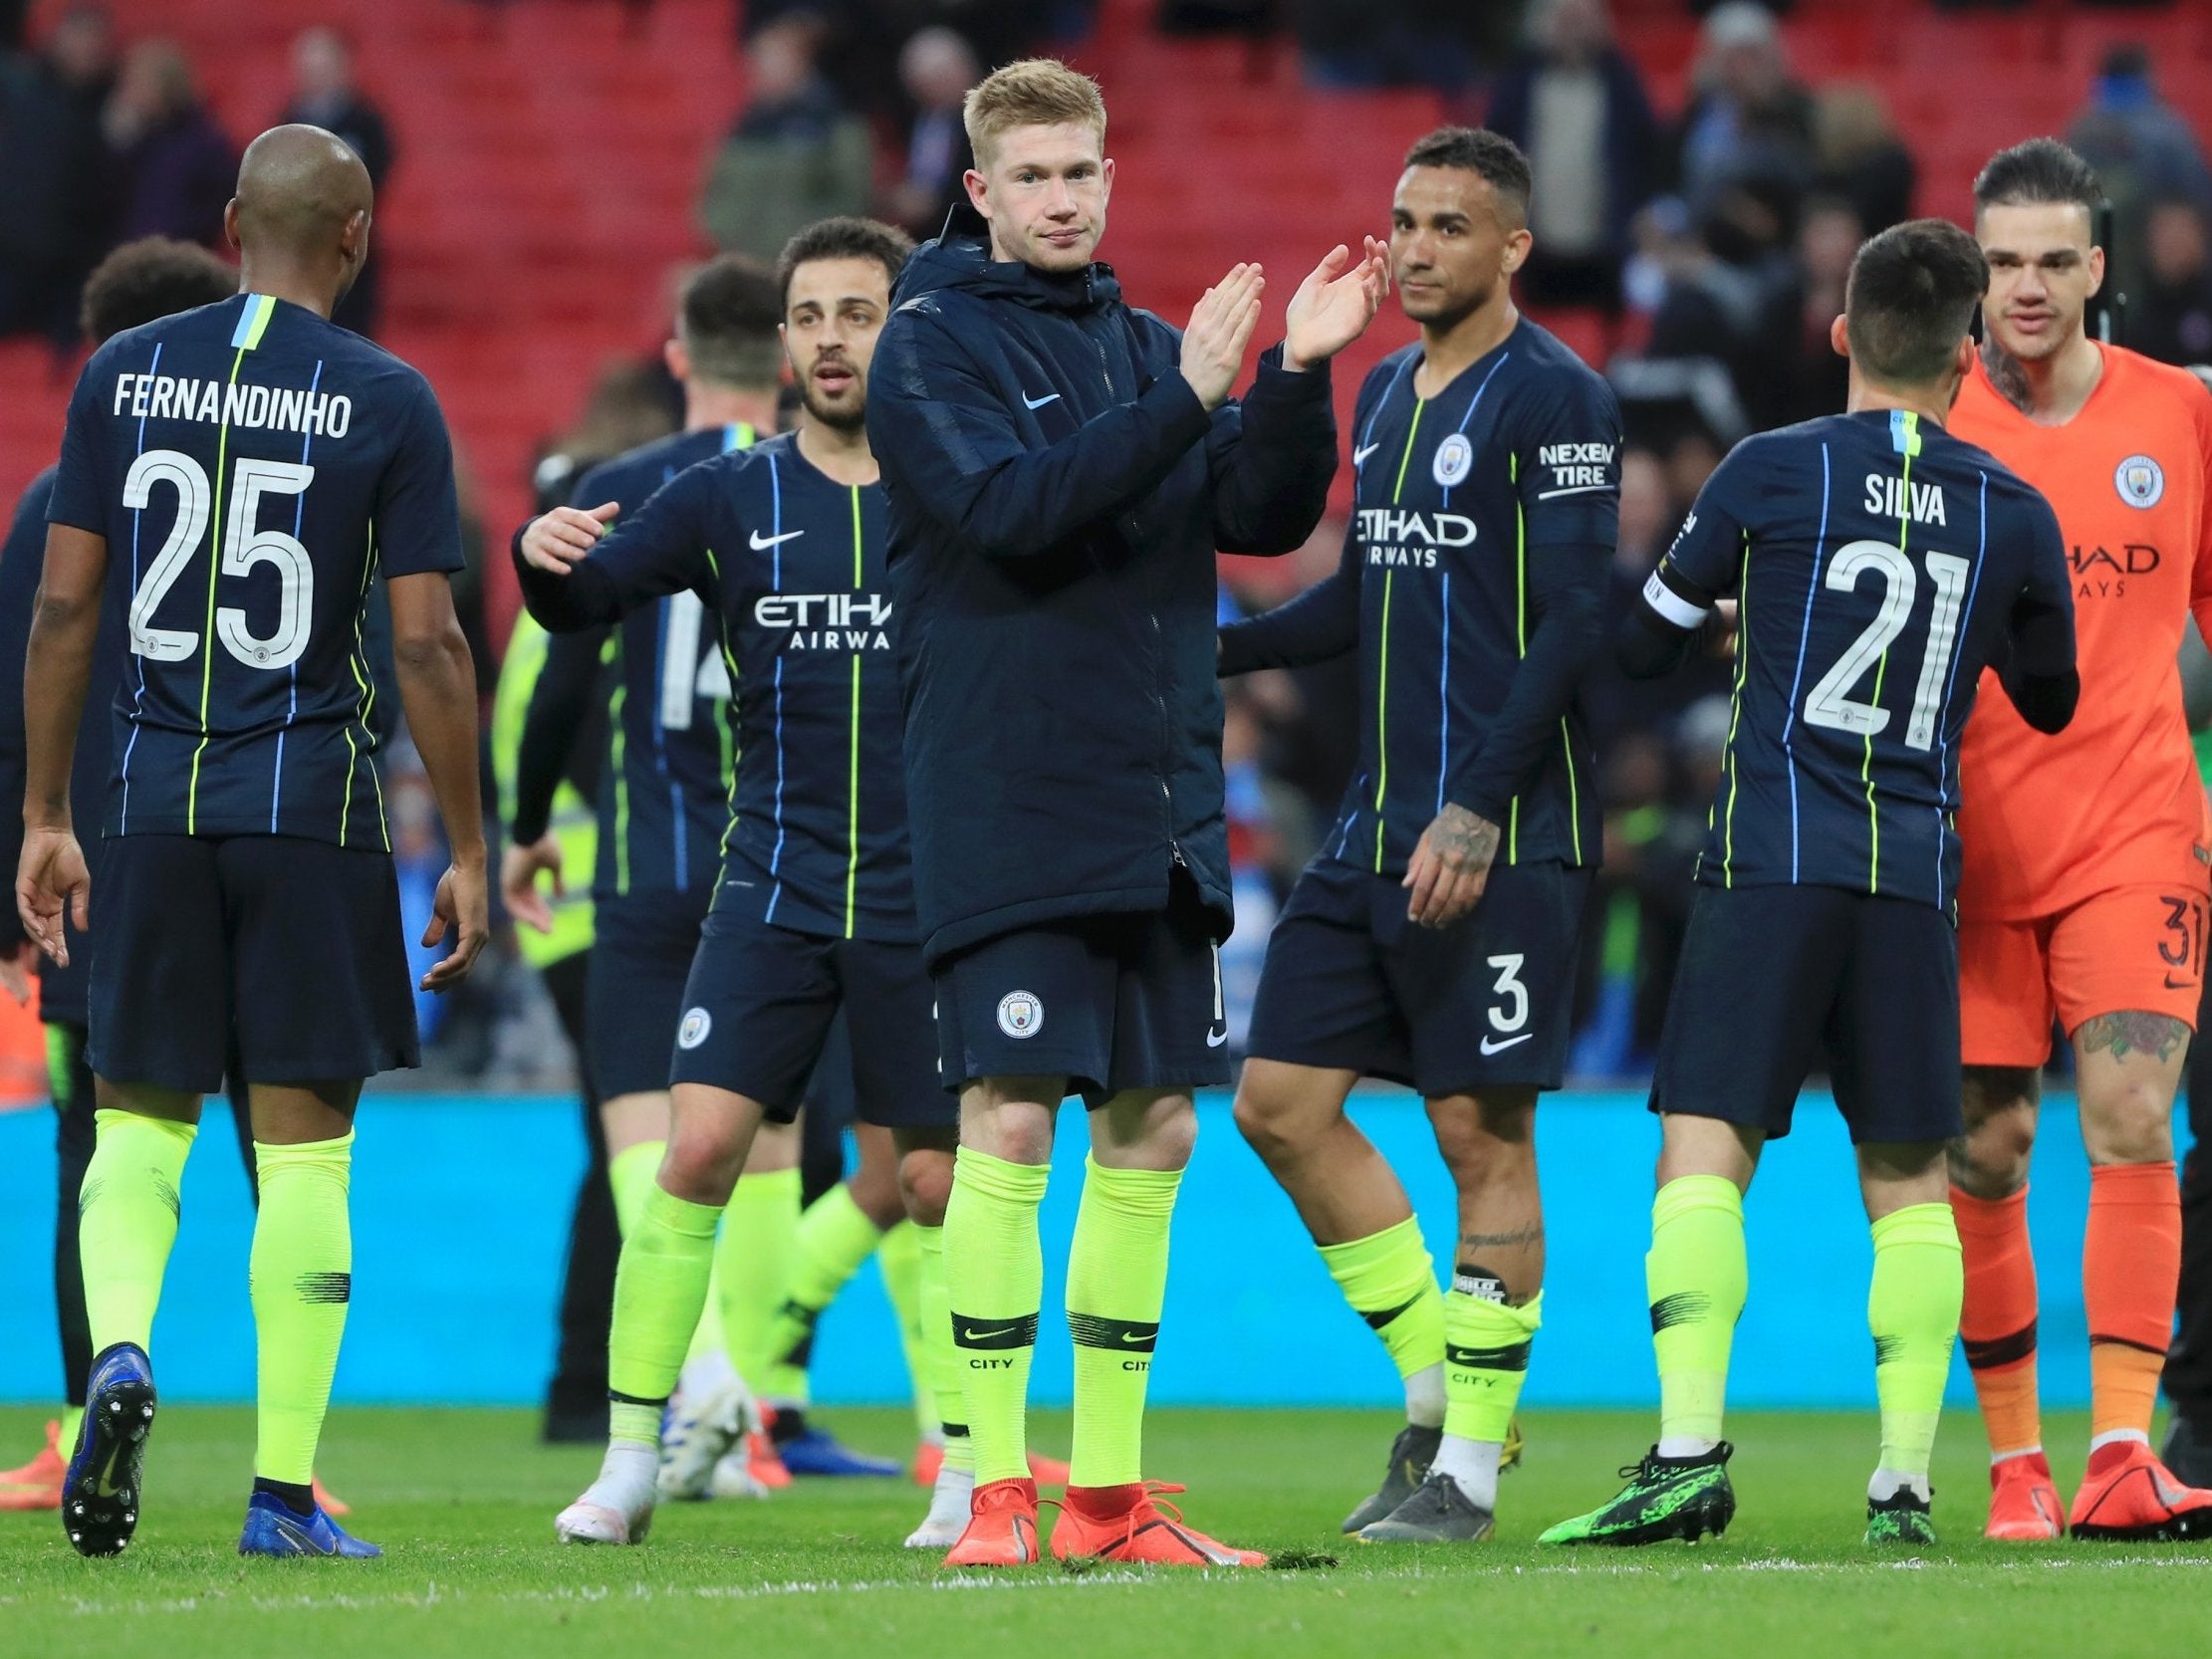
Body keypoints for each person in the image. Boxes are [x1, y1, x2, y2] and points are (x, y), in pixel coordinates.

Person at [864, 57, 1386, 1568]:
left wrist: (1291, 377)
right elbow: (1016, 514)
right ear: (979, 192)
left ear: (1110, 179)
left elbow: (1264, 516)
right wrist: (1186, 399)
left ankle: (1104, 1498)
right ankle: (991, 1491)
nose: (1061, 198)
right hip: (1006, 791)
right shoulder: (929, 349)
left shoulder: (1153, 346)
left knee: (1154, 1130)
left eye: (1081, 173)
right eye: (1030, 176)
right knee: (1010, 1118)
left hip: (1155, 798)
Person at [1543, 216, 2080, 1550]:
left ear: (1841, 333)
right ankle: (1903, 1479)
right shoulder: (2013, 506)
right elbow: (2054, 692)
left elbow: (1647, 646)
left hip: (1769, 853)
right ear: (1968, 354)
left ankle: (1681, 1457)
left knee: (1704, 1149)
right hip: (1910, 874)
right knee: (1906, 1172)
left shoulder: (1768, 473)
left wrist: (1741, 617)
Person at [18, 124, 488, 1558]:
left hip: (145, 807)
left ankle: (117, 1352)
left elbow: (62, 614)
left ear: (230, 221)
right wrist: (467, 841)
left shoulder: (118, 376)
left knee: (135, 1125)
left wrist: (46, 814)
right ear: (356, 238)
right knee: (303, 1162)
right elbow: (427, 641)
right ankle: (282, 1493)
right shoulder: (389, 396)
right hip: (310, 814)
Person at [516, 216, 978, 1552]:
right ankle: (632, 1457)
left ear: (904, 331)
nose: (834, 338)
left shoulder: (960, 494)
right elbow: (585, 601)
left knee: (935, 1182)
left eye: (859, 312)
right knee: (698, 1153)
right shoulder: (729, 498)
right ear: (781, 346)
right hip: (766, 885)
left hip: (922, 896)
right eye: (811, 316)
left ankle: (961, 1463)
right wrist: (537, 564)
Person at [1219, 125, 1620, 1546]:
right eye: (1402, 219)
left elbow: (1575, 625)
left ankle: (1467, 1472)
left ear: (1513, 245)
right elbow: (1356, 602)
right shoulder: (1383, 389)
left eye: (1449, 224)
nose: (1415, 246)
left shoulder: (1558, 398)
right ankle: (1436, 1387)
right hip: (1371, 830)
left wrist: (1477, 804)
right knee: (1277, 1103)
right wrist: (1197, 656)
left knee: (1478, 1131)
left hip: (1498, 833)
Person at [1944, 137, 2212, 1543]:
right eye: (2001, 263)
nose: (2027, 287)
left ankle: (2117, 1448)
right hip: (1970, 847)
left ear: (2098, 268)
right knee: (1982, 1152)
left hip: (2137, 832)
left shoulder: (2180, 414)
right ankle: (2014, 1468)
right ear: (1970, 276)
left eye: (2054, 259)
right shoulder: (1928, 425)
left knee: (2125, 1115)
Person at [0, 236, 233, 1514]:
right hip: (266, 854)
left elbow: (4, 707)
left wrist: (13, 891)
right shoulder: (297, 480)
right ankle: (295, 1460)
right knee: (285, 1148)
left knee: (92, 1153)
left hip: (94, 884)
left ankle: (83, 1409)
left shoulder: (54, 503)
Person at [1483, 0, 1659, 316]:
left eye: (1583, 21)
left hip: (1606, 244)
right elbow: (1491, 149)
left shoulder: (1621, 83)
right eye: (1566, 20)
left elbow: (1646, 152)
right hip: (1536, 245)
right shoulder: (1520, 82)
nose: (1575, 31)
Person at [697, 15, 871, 265]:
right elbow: (711, 196)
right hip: (748, 263)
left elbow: (854, 196)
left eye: (770, 59)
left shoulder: (835, 122)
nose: (758, 69)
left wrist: (811, 241)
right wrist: (729, 236)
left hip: (812, 263)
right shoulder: (741, 129)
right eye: (756, 60)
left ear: (800, 61)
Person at [276, 26, 393, 338]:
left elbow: (379, 171)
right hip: (298, 250)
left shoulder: (366, 121)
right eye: (309, 68)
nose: (316, 76)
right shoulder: (288, 121)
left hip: (350, 246)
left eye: (323, 67)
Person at [104, 39, 235, 246]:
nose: (131, 93)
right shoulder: (132, 141)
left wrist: (186, 235)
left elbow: (222, 202)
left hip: (180, 260)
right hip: (134, 257)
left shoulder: (204, 142)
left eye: (140, 83)